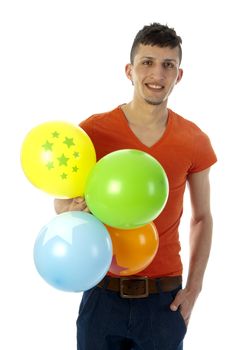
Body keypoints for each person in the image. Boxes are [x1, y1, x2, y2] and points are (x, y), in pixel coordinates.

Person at [54, 23, 217, 350]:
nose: (157, 73)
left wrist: (194, 289)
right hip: (102, 294)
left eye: (168, 65)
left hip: (163, 302)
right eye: (147, 62)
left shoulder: (194, 140)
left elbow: (202, 218)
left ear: (178, 75)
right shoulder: (94, 132)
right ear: (129, 70)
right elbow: (64, 201)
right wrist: (69, 209)